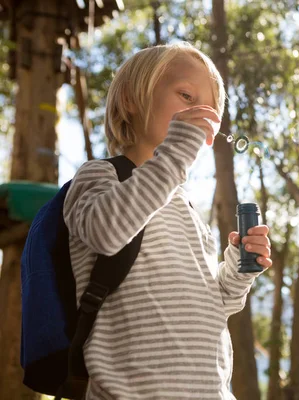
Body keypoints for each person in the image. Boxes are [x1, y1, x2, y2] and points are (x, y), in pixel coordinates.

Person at [63, 42, 272, 399]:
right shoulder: (101, 176)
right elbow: (105, 233)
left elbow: (216, 304)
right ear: (130, 99)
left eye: (210, 111)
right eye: (187, 96)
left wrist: (239, 272)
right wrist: (174, 157)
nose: (201, 113)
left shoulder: (188, 210)